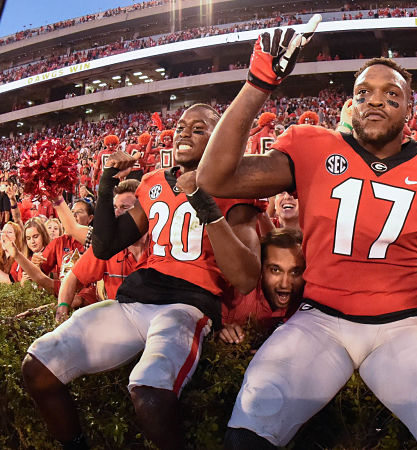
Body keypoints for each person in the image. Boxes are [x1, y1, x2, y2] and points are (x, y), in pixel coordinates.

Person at [197, 23, 417, 448]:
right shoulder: (312, 146)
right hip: (320, 321)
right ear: (351, 104)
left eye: (391, 95)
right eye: (363, 93)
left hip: (403, 326)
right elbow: (214, 177)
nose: (375, 100)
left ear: (409, 110)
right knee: (259, 409)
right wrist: (258, 85)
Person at [20, 104, 262, 450]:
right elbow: (104, 246)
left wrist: (206, 205)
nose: (184, 133)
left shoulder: (235, 188)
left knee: (150, 392)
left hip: (186, 305)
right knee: (39, 365)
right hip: (134, 301)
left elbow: (245, 277)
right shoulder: (154, 182)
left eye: (198, 128)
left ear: (219, 137)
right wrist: (105, 186)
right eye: (180, 126)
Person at [53, 179, 148, 324]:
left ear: (142, 211)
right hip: (118, 328)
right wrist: (61, 315)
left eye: (125, 207)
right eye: (114, 207)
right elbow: (71, 279)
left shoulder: (162, 243)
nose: (117, 213)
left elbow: (74, 229)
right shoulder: (106, 246)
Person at [220, 228, 305, 344]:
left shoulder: (309, 305)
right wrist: (222, 334)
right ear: (261, 270)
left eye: (295, 272)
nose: (284, 283)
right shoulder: (236, 295)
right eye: (275, 270)